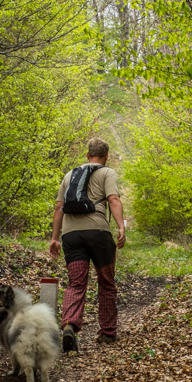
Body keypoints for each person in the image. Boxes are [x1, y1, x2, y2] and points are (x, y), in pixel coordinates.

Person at [49, 138, 125, 352]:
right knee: (107, 283)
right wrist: (121, 227)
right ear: (106, 156)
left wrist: (55, 239)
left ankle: (69, 325)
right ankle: (108, 333)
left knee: (76, 284)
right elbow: (113, 200)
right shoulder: (107, 173)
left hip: (71, 236)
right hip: (99, 234)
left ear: (87, 155)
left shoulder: (69, 175)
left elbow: (59, 209)